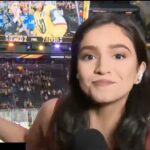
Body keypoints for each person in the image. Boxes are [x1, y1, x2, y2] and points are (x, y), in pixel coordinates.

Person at [0, 12, 150, 150]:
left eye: (118, 56)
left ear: (140, 70)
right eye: (89, 56)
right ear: (76, 70)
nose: (103, 68)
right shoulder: (52, 113)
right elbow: (29, 142)